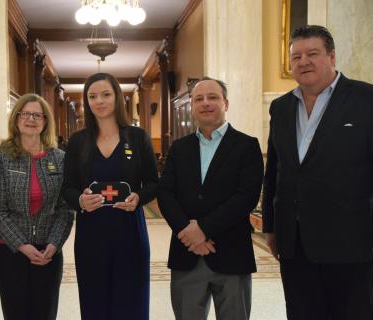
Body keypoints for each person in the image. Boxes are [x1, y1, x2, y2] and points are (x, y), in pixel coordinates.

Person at [262, 25, 373, 320]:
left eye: (312, 54)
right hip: (294, 241)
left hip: (352, 242)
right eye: (296, 56)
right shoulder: (281, 107)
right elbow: (275, 170)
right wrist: (271, 227)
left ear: (332, 57)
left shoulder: (366, 99)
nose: (303, 62)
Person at [157, 78, 264, 320]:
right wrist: (188, 232)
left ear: (226, 103)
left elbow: (246, 197)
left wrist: (203, 229)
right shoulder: (179, 148)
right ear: (193, 106)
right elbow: (165, 193)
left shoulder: (247, 146)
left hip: (232, 254)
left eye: (213, 97)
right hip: (187, 255)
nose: (206, 103)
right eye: (199, 99)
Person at [62, 72, 158, 320]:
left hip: (129, 233)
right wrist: (80, 201)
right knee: (95, 303)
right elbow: (68, 188)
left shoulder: (137, 138)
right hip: (91, 235)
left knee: (131, 303)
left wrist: (138, 197)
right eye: (92, 96)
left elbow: (153, 183)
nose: (99, 101)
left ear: (117, 97)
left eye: (105, 94)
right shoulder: (77, 141)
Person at [0, 93, 74, 320]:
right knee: (16, 312)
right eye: (25, 114)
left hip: (48, 251)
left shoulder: (60, 159)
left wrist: (54, 244)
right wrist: (22, 246)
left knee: (45, 312)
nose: (31, 119)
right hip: (9, 250)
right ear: (16, 119)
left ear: (45, 121)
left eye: (38, 115)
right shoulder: (1, 157)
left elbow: (65, 209)